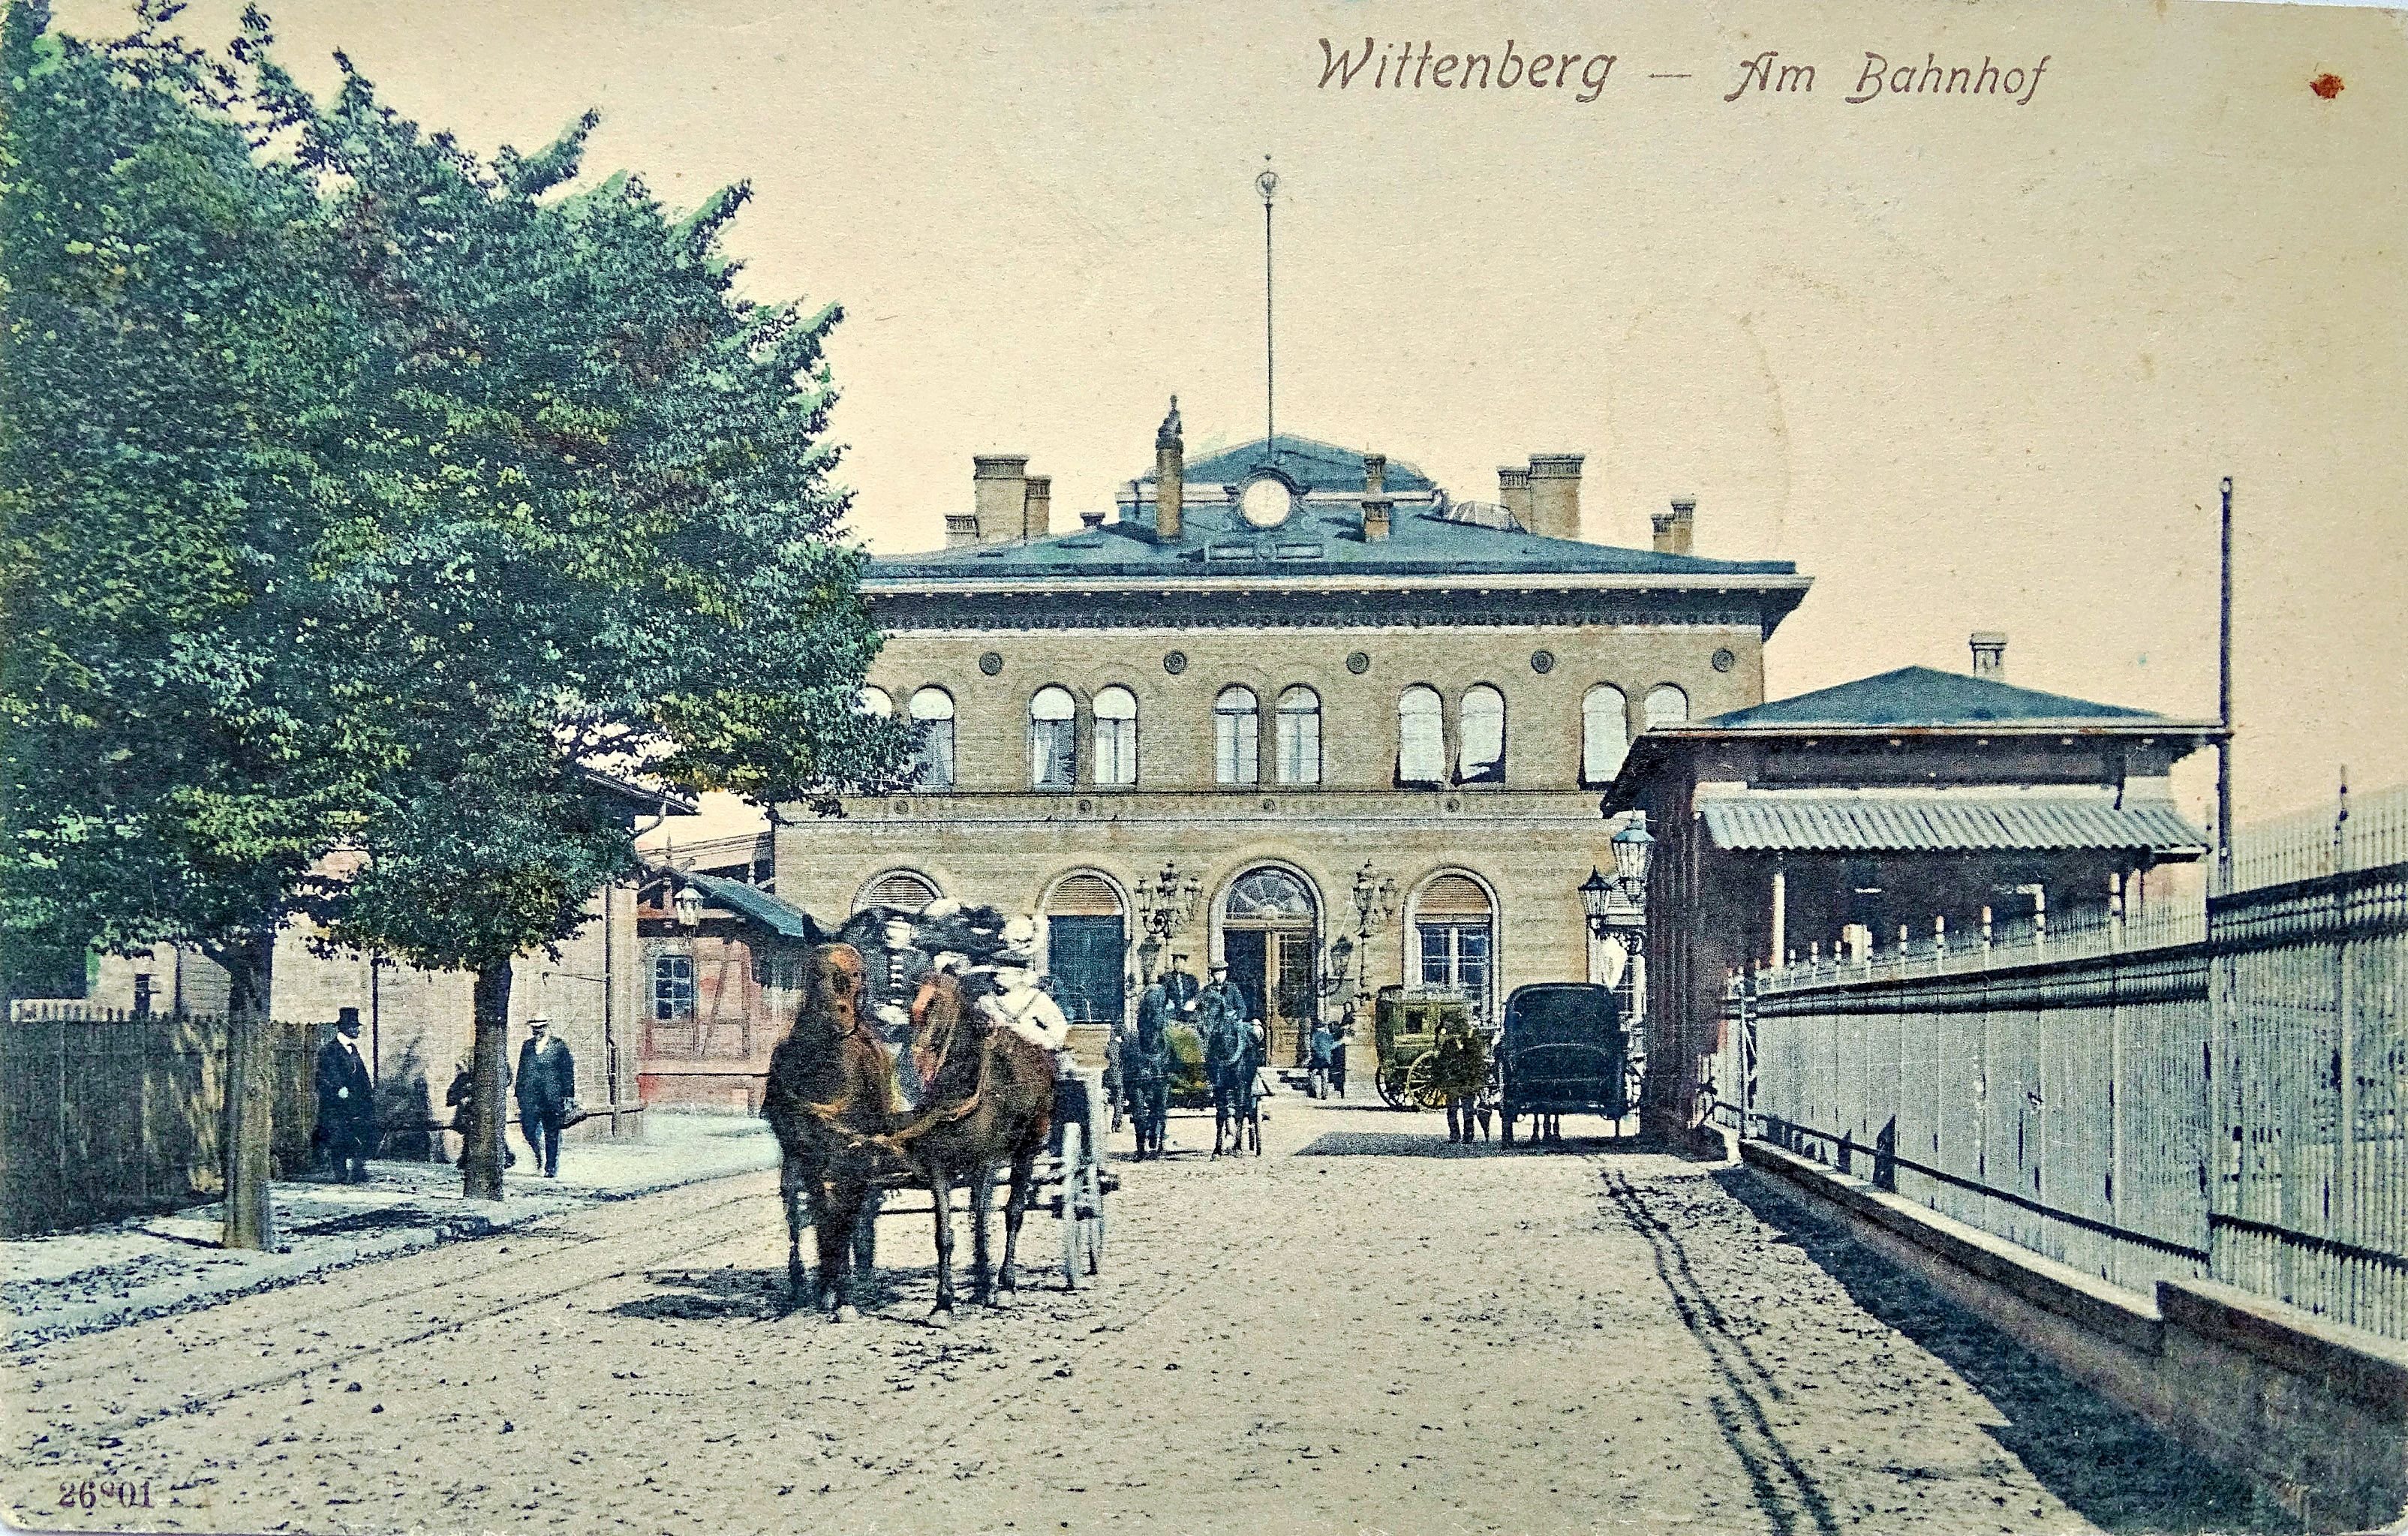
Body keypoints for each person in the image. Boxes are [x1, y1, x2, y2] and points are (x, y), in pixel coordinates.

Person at [314, 1007, 376, 1183]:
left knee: (359, 1134)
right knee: (338, 1138)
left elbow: (361, 1076)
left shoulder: (353, 1049)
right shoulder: (330, 1050)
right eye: (354, 1026)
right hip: (337, 1104)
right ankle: (340, 1174)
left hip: (356, 1103)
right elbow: (325, 1076)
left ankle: (358, 1170)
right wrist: (338, 1088)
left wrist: (367, 1095)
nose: (357, 1030)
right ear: (345, 1028)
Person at [513, 1016, 577, 1178]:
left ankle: (550, 1167)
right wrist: (519, 1093)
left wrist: (568, 1096)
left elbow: (567, 1072)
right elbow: (522, 1070)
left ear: (547, 1027)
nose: (537, 1031)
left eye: (541, 1027)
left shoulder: (558, 1046)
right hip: (531, 1098)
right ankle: (538, 1155)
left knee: (551, 1133)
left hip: (552, 1098)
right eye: (535, 1028)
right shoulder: (527, 1046)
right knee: (528, 1129)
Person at [1307, 1019, 1336, 1101]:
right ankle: (1325, 1093)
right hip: (1326, 1059)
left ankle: (1314, 1092)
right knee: (1325, 1076)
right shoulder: (1328, 1036)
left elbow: (1312, 1046)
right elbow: (1332, 1045)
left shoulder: (1315, 1035)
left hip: (1317, 1058)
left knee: (1311, 1074)